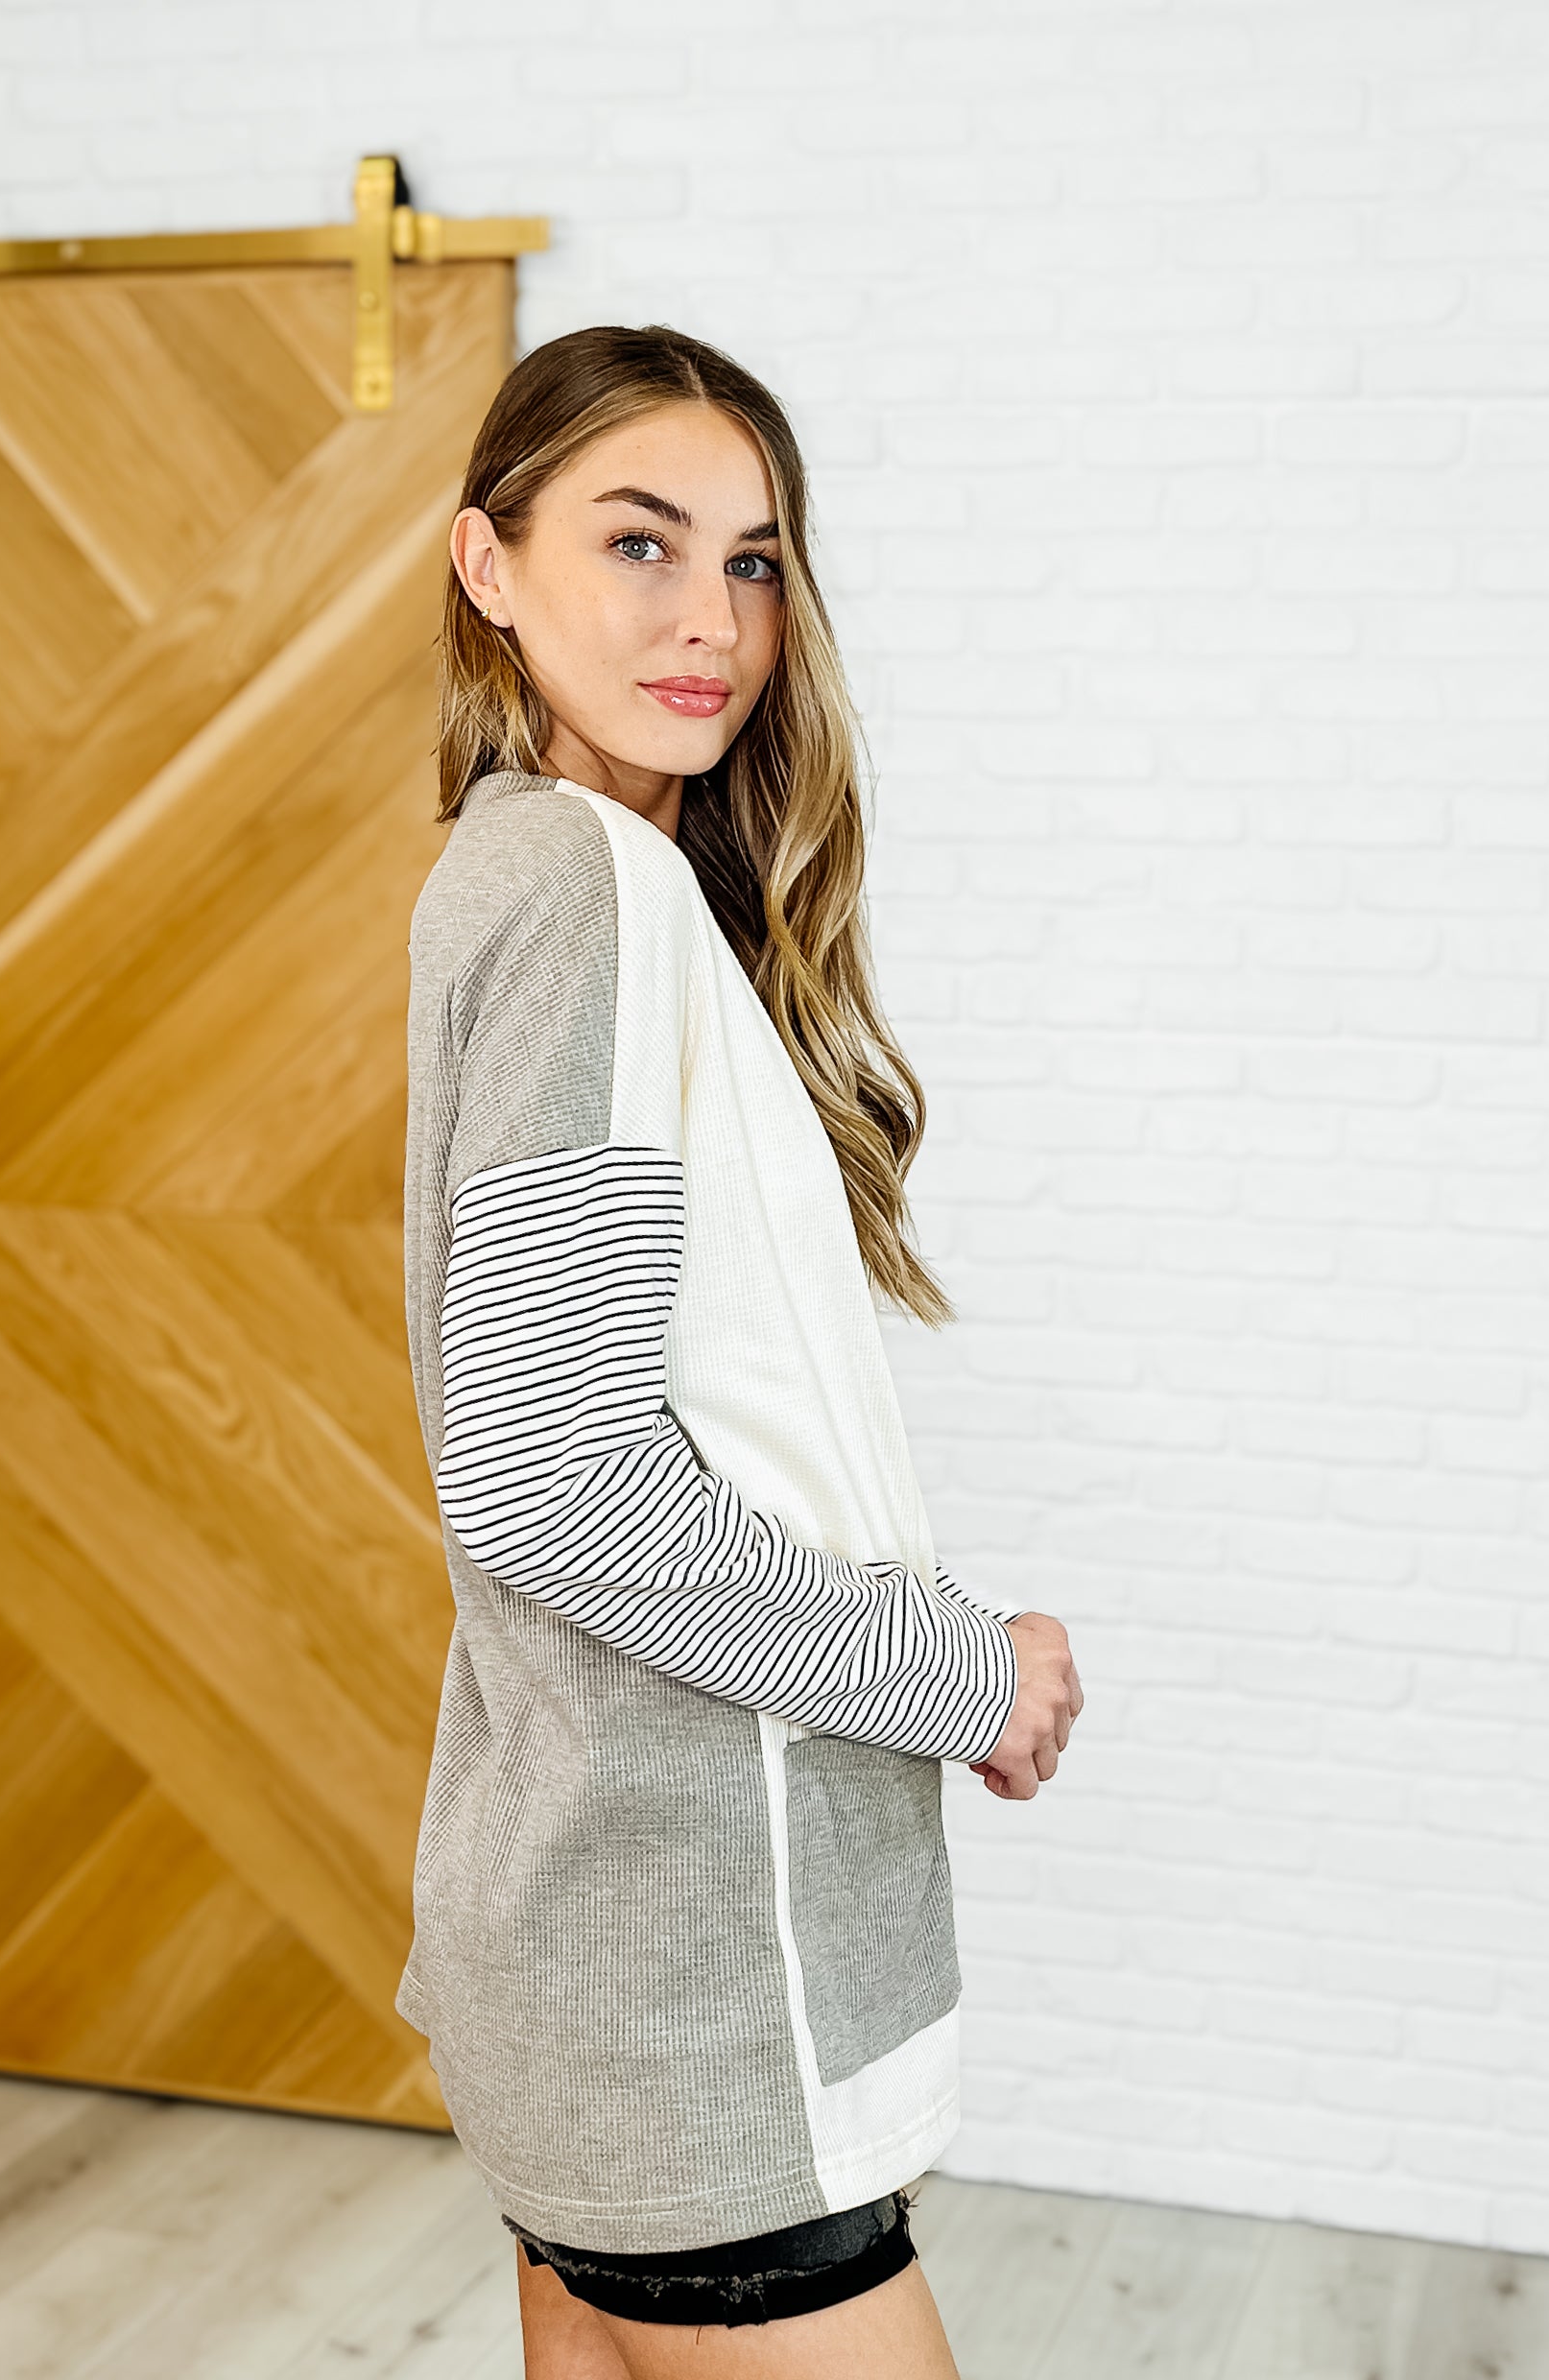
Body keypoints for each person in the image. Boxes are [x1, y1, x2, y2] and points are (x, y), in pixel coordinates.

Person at [398, 322, 1084, 2380]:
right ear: (487, 564)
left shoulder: (540, 869)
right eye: (638, 542)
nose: (709, 620)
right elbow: (557, 1483)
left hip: (593, 1943)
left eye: (753, 561)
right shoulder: (579, 886)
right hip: (691, 1966)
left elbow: (646, 1438)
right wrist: (962, 1669)